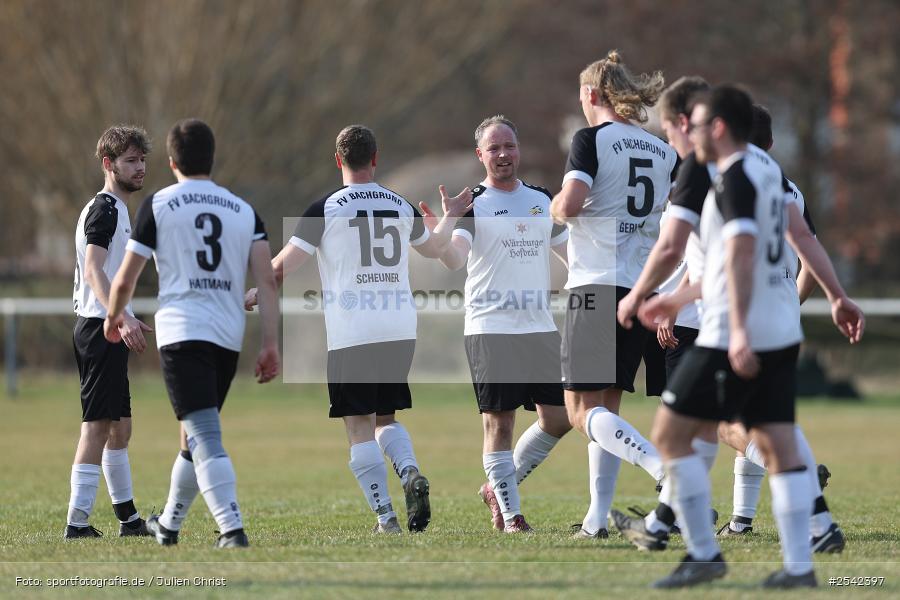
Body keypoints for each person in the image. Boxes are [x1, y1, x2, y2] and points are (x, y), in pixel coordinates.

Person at [641, 85, 864, 589]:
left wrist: (737, 331)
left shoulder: (735, 177)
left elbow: (739, 256)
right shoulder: (772, 174)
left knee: (672, 435)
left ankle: (702, 552)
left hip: (732, 331)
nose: (690, 133)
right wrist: (836, 295)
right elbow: (803, 240)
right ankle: (800, 565)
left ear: (718, 128)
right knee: (778, 444)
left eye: (697, 124)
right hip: (780, 328)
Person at [246, 125, 471, 533]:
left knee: (357, 422)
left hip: (354, 329)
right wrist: (451, 216)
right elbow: (439, 250)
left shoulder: (325, 209)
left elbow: (283, 266)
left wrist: (255, 292)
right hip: (400, 327)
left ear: (338, 160)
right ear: (375, 158)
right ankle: (409, 471)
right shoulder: (399, 204)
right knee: (385, 416)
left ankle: (386, 518)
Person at [105, 118, 280, 548]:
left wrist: (113, 316)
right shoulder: (244, 209)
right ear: (212, 159)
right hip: (227, 335)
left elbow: (126, 280)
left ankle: (232, 529)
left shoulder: (160, 205)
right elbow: (267, 280)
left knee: (204, 433)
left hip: (184, 331)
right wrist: (271, 343)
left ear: (170, 161)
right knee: (194, 433)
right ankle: (168, 524)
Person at [549, 50, 679, 538]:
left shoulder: (590, 139)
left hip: (594, 284)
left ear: (590, 94)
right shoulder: (663, 150)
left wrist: (553, 210)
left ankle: (665, 471)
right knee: (608, 407)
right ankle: (597, 518)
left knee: (581, 411)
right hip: (640, 289)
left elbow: (573, 203)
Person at [421, 115, 571, 533]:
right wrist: (448, 221)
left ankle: (496, 488)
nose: (503, 154)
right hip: (491, 327)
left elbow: (569, 257)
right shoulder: (474, 204)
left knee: (560, 418)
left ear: (518, 149)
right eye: (494, 148)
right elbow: (451, 258)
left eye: (509, 146)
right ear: (480, 155)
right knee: (500, 423)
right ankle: (511, 516)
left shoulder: (542, 199)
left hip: (539, 327)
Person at [715, 105, 844, 554]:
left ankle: (796, 480)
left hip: (746, 315)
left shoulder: (734, 183)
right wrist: (798, 300)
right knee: (760, 417)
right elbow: (809, 254)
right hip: (783, 318)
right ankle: (741, 520)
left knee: (720, 421)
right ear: (771, 143)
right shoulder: (791, 189)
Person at [608, 76, 719, 550]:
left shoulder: (697, 169)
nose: (669, 143)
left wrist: (646, 297)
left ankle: (667, 528)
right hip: (760, 316)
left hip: (721, 319)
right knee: (760, 429)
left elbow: (674, 246)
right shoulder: (758, 168)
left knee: (674, 430)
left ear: (681, 122)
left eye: (669, 131)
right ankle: (816, 525)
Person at [67, 125, 153, 539]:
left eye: (142, 160)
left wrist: (125, 316)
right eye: (131, 161)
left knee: (120, 428)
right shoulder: (105, 209)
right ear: (108, 164)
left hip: (108, 327)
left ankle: (129, 520)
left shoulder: (119, 210)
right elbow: (94, 268)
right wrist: (120, 317)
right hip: (99, 328)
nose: (140, 168)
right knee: (98, 426)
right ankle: (77, 523)